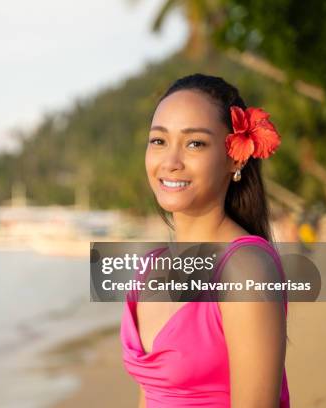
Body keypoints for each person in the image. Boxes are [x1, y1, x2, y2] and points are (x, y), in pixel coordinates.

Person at [120, 74, 290, 407]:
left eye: (194, 143)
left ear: (235, 158)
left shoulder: (246, 269)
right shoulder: (149, 268)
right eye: (158, 141)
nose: (170, 162)